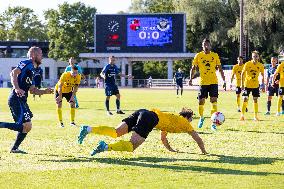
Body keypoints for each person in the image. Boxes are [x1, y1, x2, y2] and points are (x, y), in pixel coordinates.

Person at [78, 107, 207, 156]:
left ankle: (88, 129)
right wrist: (204, 152)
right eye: (191, 119)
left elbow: (163, 138)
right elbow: (198, 138)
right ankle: (105, 147)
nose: (191, 122)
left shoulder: (173, 119)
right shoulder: (184, 123)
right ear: (187, 118)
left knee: (116, 132)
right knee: (131, 146)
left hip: (143, 112)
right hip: (150, 119)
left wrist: (171, 150)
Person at [0, 47, 53, 153]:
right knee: (25, 126)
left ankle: (14, 148)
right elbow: (14, 73)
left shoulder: (36, 70)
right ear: (33, 55)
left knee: (27, 126)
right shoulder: (26, 63)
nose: (42, 56)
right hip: (16, 98)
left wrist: (44, 92)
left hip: (22, 100)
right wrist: (16, 88)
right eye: (40, 54)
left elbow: (32, 90)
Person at [188, 38, 226, 131]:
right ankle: (201, 117)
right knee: (201, 101)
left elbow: (220, 69)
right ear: (202, 46)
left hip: (213, 82)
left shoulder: (215, 55)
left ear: (210, 46)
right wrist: (190, 78)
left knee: (214, 101)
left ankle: (214, 123)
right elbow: (193, 68)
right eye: (204, 44)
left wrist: (224, 81)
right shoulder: (198, 56)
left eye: (207, 44)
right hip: (203, 82)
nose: (206, 46)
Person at [240, 51, 265, 121]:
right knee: (245, 99)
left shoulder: (260, 65)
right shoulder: (247, 64)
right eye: (254, 56)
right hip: (247, 85)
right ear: (252, 57)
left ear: (258, 57)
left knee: (255, 100)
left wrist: (263, 85)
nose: (255, 57)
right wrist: (242, 85)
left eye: (256, 56)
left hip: (256, 85)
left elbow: (262, 75)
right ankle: (242, 115)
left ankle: (255, 116)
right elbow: (242, 74)